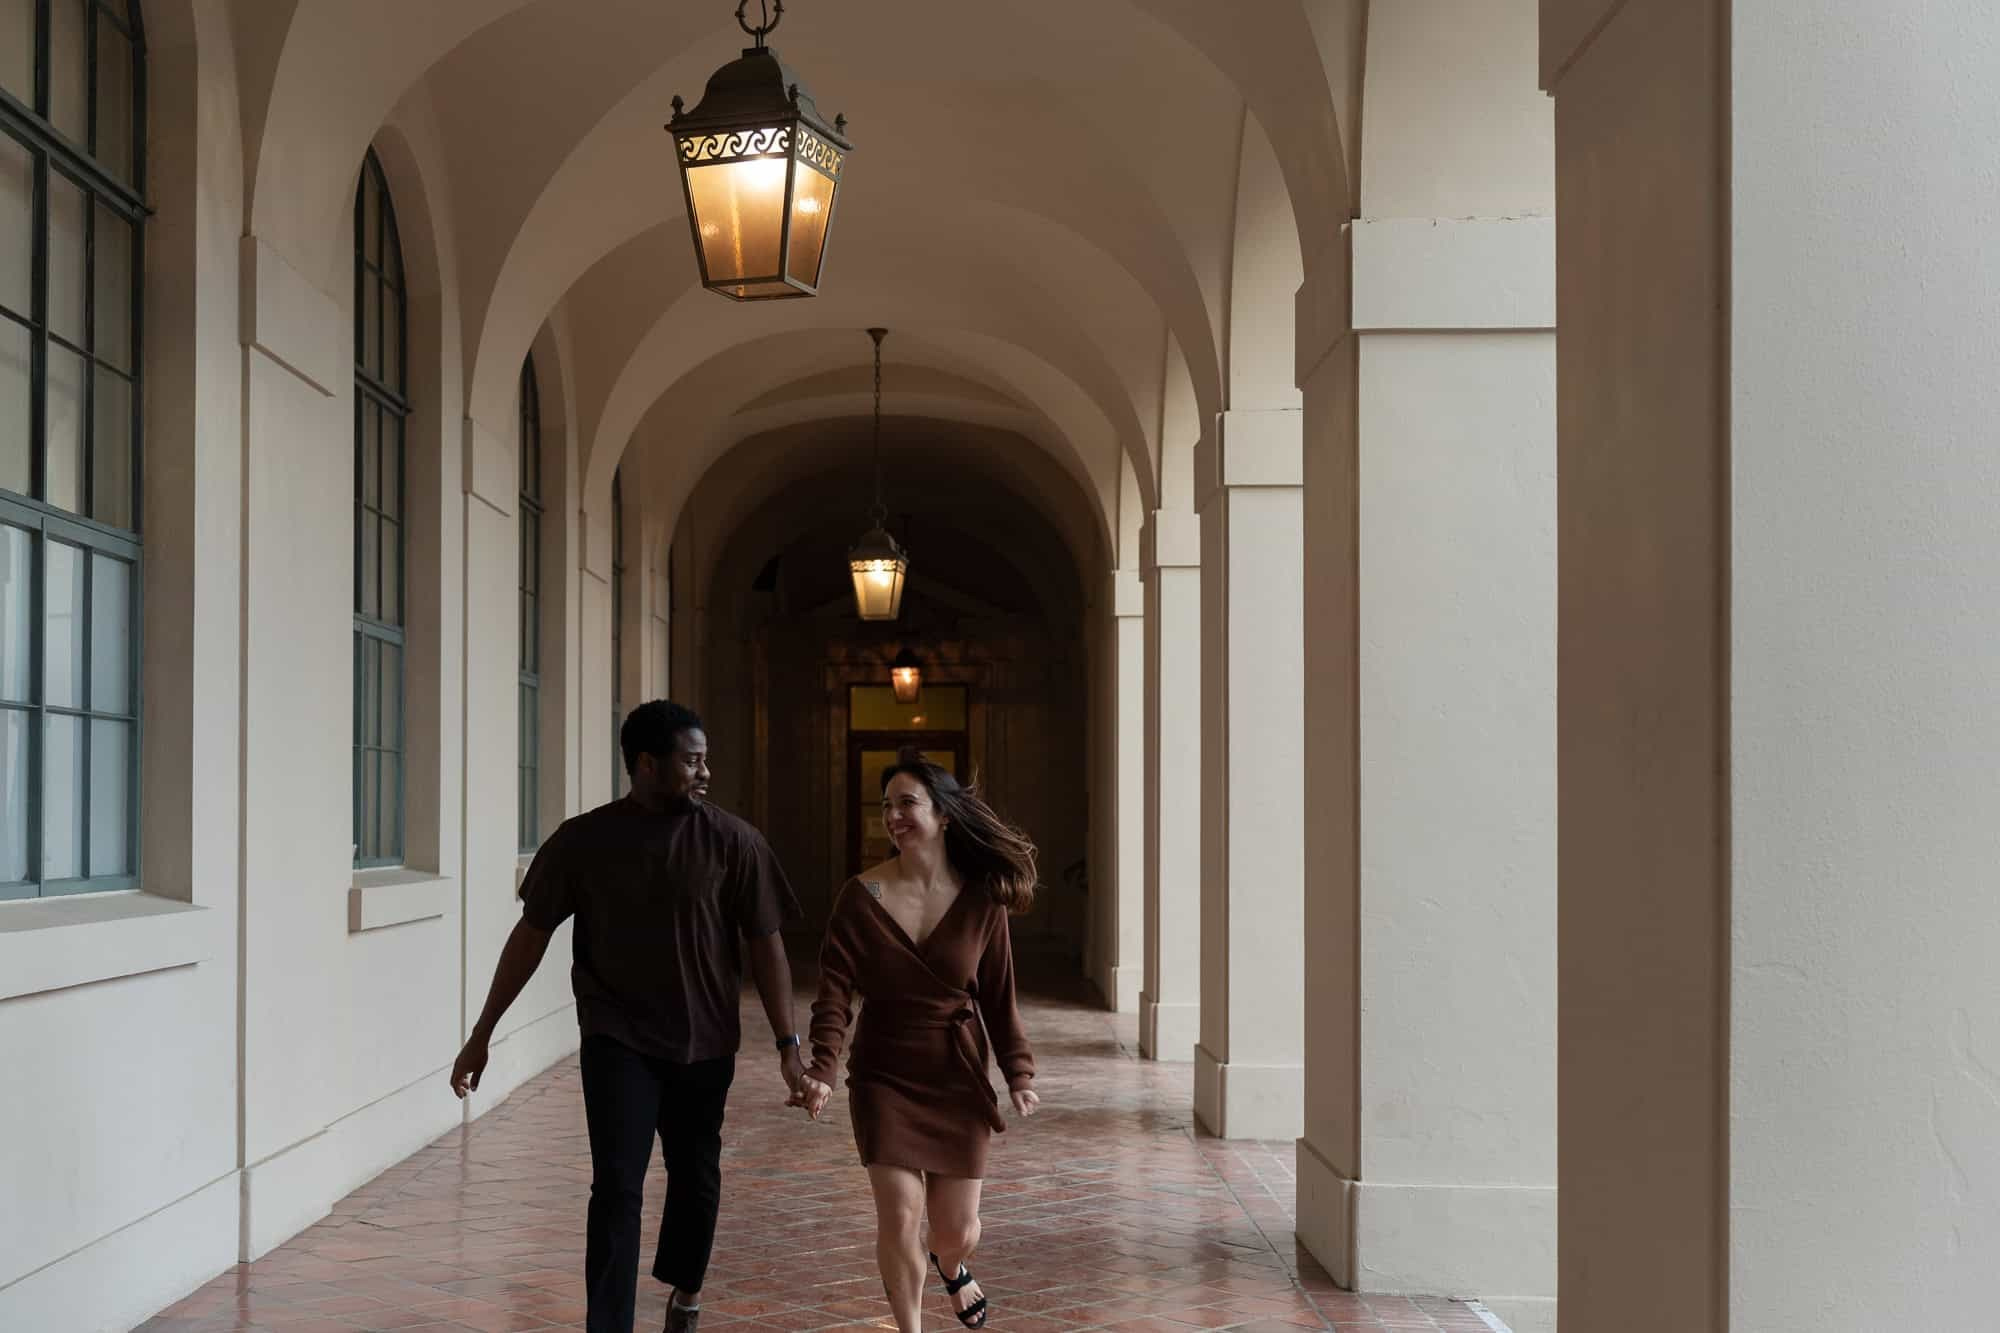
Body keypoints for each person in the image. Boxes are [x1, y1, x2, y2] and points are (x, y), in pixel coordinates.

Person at [450, 700, 804, 1333]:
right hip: (619, 1040)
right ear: (647, 764)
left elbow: (766, 943)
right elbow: (530, 936)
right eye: (691, 760)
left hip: (705, 1041)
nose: (705, 773)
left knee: (696, 1178)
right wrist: (481, 1034)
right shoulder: (584, 841)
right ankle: (607, 1323)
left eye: (705, 760)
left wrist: (788, 1046)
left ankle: (686, 1291)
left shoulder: (733, 841)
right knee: (616, 1184)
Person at [796, 749, 1041, 1333]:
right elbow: (834, 994)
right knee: (899, 1216)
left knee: (956, 1229)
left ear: (945, 815)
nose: (894, 815)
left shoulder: (983, 899)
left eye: (907, 802)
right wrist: (823, 1068)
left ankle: (953, 1267)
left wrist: (1019, 1073)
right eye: (887, 806)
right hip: (884, 1074)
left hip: (956, 1076)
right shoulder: (860, 898)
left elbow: (999, 996)